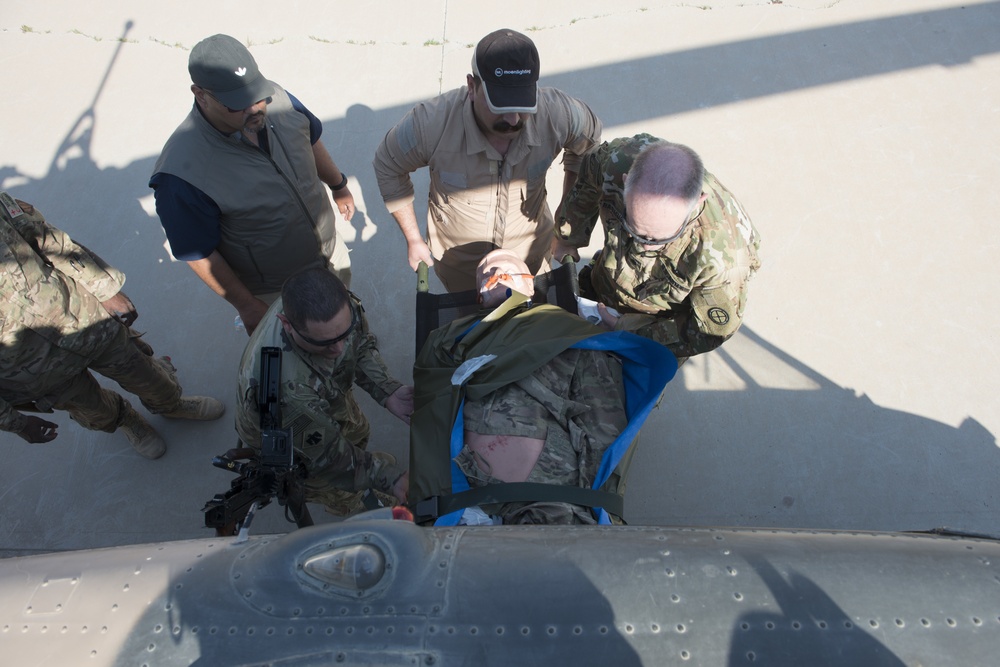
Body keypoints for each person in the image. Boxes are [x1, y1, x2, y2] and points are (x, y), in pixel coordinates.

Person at [408, 250, 675, 525]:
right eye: (483, 273)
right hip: (464, 503)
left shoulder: (568, 329)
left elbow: (604, 420)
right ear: (479, 296)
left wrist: (595, 504)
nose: (490, 271)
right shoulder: (451, 335)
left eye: (503, 266)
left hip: (552, 500)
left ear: (529, 284)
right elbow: (430, 394)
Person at [150, 34, 355, 335]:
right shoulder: (182, 174)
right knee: (306, 354)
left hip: (329, 253)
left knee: (342, 327)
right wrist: (246, 305)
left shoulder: (280, 99)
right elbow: (198, 252)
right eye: (237, 104)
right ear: (200, 94)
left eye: (258, 95)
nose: (254, 109)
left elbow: (309, 140)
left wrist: (338, 185)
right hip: (277, 289)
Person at [373, 28, 603, 293]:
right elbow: (387, 164)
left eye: (523, 106)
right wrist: (413, 239)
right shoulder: (430, 123)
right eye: (501, 106)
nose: (514, 119)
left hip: (530, 258)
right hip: (462, 270)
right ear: (472, 87)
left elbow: (589, 145)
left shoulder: (557, 113)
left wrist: (567, 221)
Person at [0, 193, 225, 459]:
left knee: (144, 373)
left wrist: (105, 289)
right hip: (30, 371)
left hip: (83, 318)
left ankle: (171, 404)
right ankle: (127, 420)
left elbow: (49, 241)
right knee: (95, 410)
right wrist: (16, 423)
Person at [552, 134, 762, 363]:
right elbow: (591, 174)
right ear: (625, 180)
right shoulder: (616, 160)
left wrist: (628, 331)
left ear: (698, 202)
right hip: (601, 285)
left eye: (658, 239)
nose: (643, 245)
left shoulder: (725, 259)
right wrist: (568, 236)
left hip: (655, 327)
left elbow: (705, 332)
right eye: (633, 229)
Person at [235, 268, 412, 515]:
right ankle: (351, 504)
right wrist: (388, 477)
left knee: (356, 430)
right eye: (324, 343)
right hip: (291, 437)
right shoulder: (288, 390)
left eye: (343, 334)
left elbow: (359, 345)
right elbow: (327, 458)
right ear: (287, 324)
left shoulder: (333, 308)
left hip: (326, 394)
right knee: (338, 489)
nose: (339, 349)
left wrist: (387, 390)